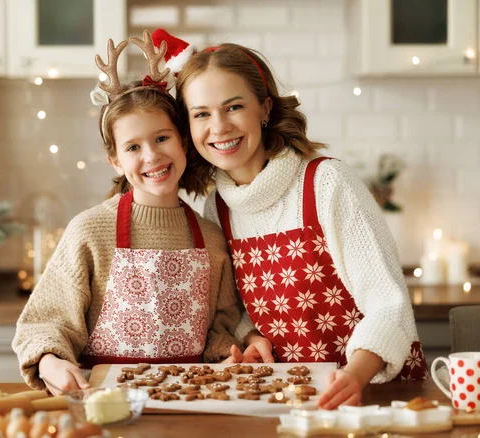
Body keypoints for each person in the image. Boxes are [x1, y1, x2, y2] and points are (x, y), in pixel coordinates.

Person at [150, 29, 428, 410]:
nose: (219, 127)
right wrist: (250, 338)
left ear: (264, 109)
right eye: (201, 114)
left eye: (234, 107)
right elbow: (242, 310)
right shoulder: (219, 208)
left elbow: (388, 302)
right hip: (288, 403)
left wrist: (356, 374)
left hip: (374, 395)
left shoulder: (327, 183)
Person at [12, 32, 241, 396]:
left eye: (162, 138)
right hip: (104, 404)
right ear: (116, 160)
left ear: (183, 141)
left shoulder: (211, 237)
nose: (151, 156)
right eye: (133, 146)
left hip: (189, 402)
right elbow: (45, 323)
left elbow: (221, 327)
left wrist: (228, 354)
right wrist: (50, 361)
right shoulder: (90, 231)